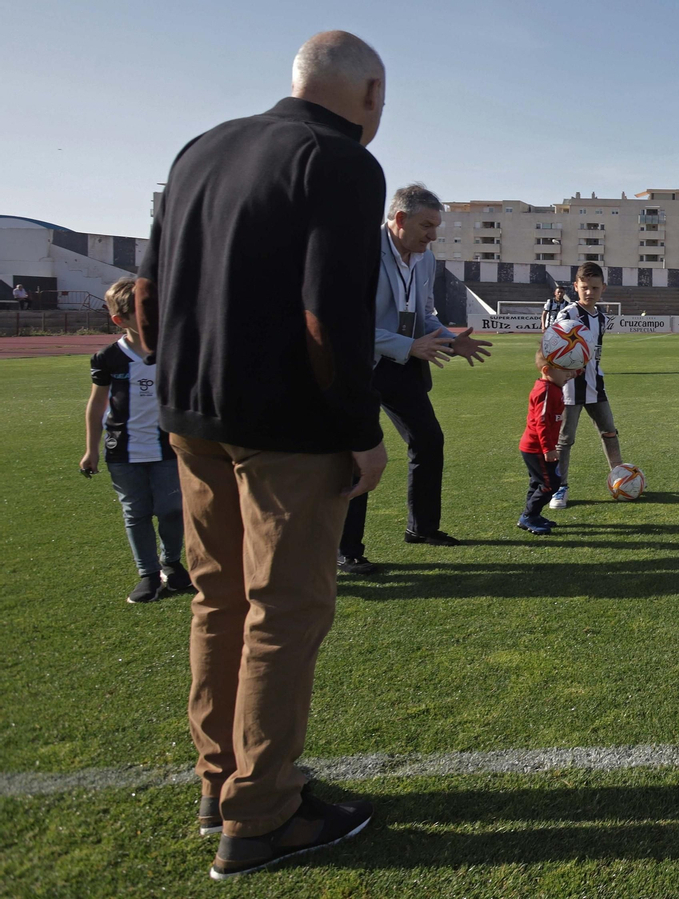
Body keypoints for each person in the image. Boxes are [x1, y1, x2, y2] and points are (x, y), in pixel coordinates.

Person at [134, 31, 389, 879]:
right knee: (284, 614)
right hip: (286, 428)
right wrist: (360, 429)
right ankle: (264, 814)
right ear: (370, 93)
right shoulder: (343, 161)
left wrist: (178, 387)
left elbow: (143, 293)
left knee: (219, 599)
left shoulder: (200, 149)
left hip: (189, 413)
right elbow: (331, 313)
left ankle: (222, 783)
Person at [337, 183, 493, 574]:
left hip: (404, 365)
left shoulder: (425, 259)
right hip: (361, 366)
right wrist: (406, 346)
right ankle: (346, 551)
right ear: (400, 219)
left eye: (437, 227)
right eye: (427, 226)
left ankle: (422, 528)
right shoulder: (360, 251)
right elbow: (347, 327)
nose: (433, 235)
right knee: (359, 454)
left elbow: (425, 314)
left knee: (428, 439)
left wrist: (449, 340)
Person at [80, 277, 190, 604]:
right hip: (123, 452)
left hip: (168, 449)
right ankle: (148, 574)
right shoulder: (107, 358)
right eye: (143, 313)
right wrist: (90, 450)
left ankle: (170, 562)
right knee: (137, 513)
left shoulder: (173, 349)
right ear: (120, 320)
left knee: (172, 509)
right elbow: (97, 405)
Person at [549, 262, 625, 509]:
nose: (589, 292)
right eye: (584, 287)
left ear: (603, 288)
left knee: (610, 431)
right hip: (569, 388)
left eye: (594, 287)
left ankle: (620, 479)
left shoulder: (602, 318)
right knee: (565, 439)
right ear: (576, 287)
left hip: (596, 385)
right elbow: (552, 344)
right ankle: (559, 487)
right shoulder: (567, 314)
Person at [517, 347, 576, 535]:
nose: (569, 375)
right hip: (537, 448)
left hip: (535, 447)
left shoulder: (553, 386)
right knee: (551, 483)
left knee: (537, 482)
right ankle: (528, 515)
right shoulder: (547, 391)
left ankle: (531, 515)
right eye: (564, 370)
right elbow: (540, 422)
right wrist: (549, 448)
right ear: (546, 371)